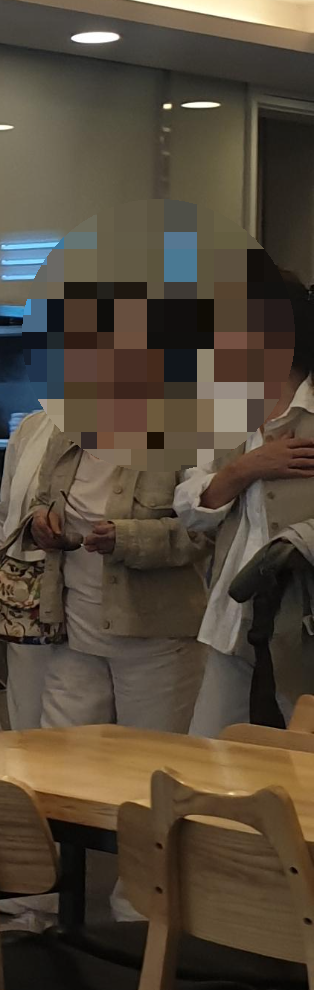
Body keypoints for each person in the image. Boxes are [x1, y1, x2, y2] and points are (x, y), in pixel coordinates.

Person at [0, 277, 209, 733]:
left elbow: (206, 530)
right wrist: (40, 525)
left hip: (154, 634)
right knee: (59, 757)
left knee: (148, 762)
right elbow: (34, 507)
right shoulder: (62, 426)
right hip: (69, 628)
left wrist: (127, 539)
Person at [174, 254, 314, 735]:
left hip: (303, 623)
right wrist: (246, 468)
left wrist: (299, 539)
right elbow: (191, 509)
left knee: (300, 756)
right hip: (231, 619)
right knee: (208, 752)